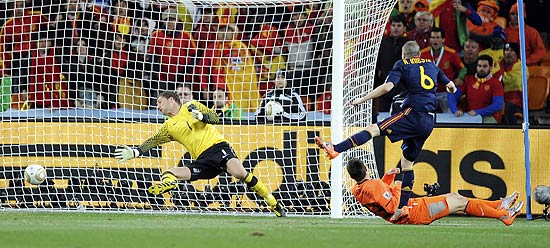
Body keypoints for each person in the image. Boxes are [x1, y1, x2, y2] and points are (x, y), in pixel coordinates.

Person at [315, 41, 457, 212]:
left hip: (412, 113)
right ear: (419, 54)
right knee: (407, 163)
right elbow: (451, 87)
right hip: (429, 121)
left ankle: (336, 148)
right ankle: (402, 208)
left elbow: (388, 87)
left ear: (404, 55)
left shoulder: (402, 64)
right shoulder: (431, 65)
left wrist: (362, 99)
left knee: (373, 129)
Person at [114, 91, 286, 217]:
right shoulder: (168, 126)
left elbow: (215, 118)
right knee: (170, 172)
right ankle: (170, 184)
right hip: (202, 161)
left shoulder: (191, 106)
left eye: (159, 102)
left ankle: (273, 202)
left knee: (240, 173)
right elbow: (154, 140)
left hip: (217, 148)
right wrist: (135, 151)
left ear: (171, 100)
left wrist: (202, 116)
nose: (157, 106)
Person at [346, 157, 523, 225]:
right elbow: (393, 207)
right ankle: (503, 216)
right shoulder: (372, 185)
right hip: (414, 212)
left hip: (413, 210)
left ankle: (500, 205)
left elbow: (380, 197)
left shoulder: (357, 189)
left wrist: (387, 178)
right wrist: (398, 184)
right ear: (366, 168)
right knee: (458, 202)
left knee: (456, 198)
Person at [448, 54, 504, 123]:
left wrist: (479, 112)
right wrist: (455, 110)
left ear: (490, 68)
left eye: (485, 66)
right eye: (479, 66)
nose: (481, 69)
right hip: (470, 116)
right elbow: (452, 94)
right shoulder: (468, 80)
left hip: (488, 117)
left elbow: (498, 105)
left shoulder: (496, 83)